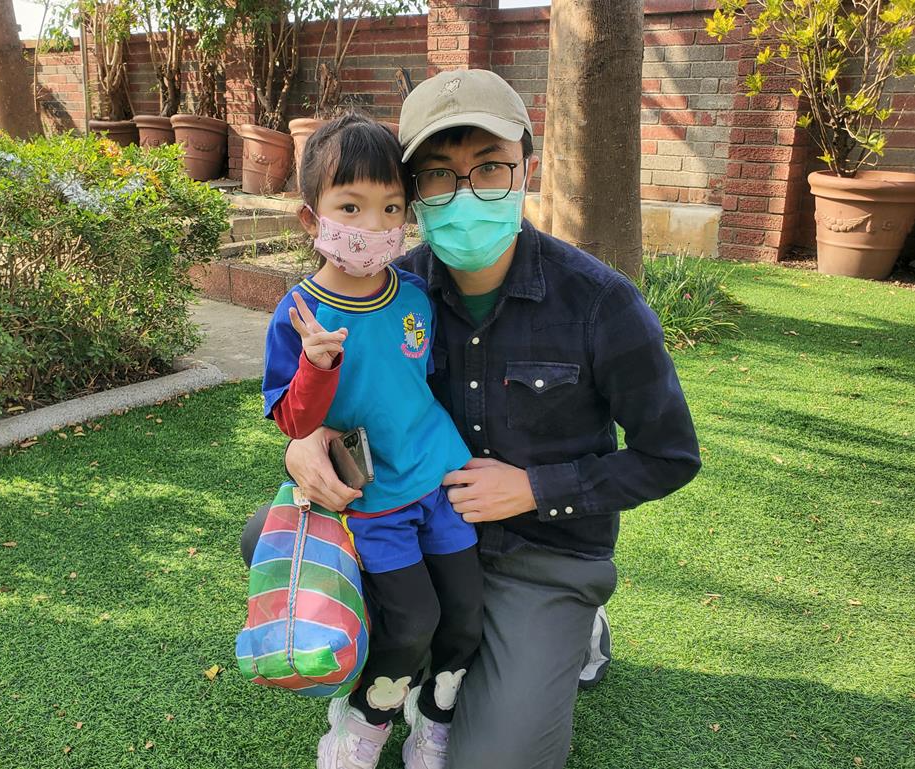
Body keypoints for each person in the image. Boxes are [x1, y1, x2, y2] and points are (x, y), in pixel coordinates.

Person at [246, 69, 701, 768]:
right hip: (415, 523)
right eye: (437, 175)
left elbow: (669, 455)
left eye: (489, 167)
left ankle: (569, 629)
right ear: (413, 194)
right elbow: (330, 395)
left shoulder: (600, 304)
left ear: (527, 170)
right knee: (270, 536)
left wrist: (534, 488)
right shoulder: (396, 287)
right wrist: (303, 442)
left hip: (540, 555)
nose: (463, 193)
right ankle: (396, 676)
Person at [259, 113, 484, 769]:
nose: (372, 225)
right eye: (350, 207)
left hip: (439, 479)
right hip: (374, 503)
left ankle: (434, 718)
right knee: (411, 621)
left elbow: (422, 380)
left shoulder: (415, 295)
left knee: (464, 615)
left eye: (390, 208)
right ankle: (366, 718)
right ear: (312, 218)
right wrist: (316, 366)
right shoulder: (299, 314)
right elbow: (292, 421)